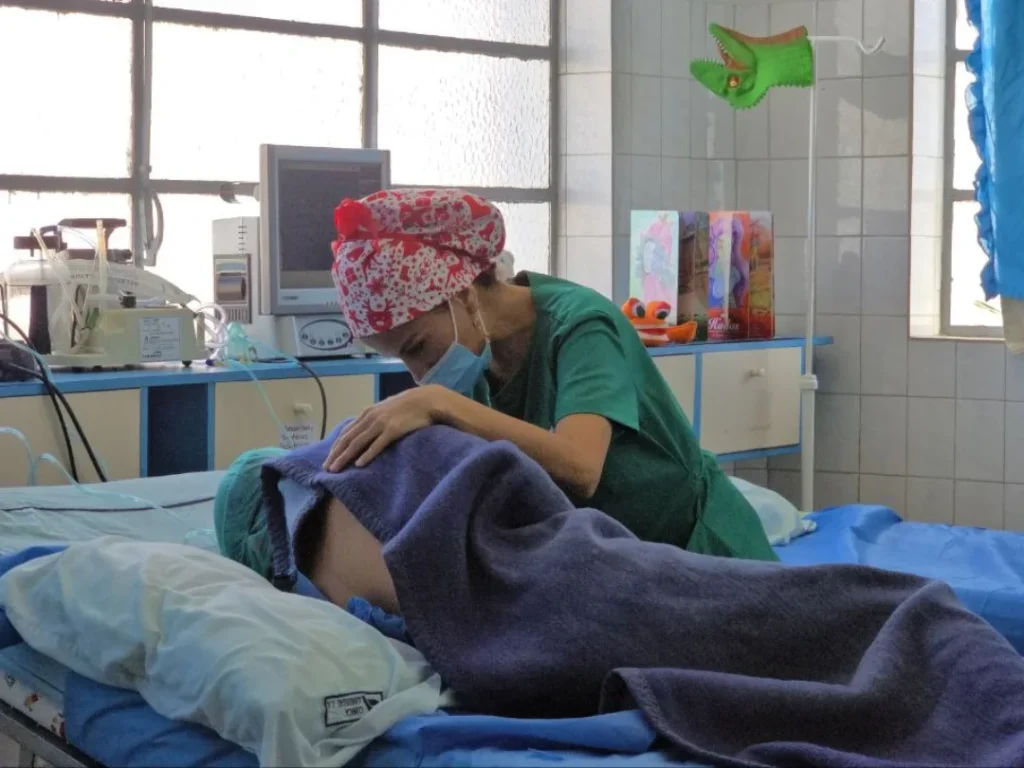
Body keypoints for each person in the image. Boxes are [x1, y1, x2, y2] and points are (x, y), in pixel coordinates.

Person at [324, 187, 775, 561]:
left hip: (701, 550)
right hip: (617, 561)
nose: (419, 376)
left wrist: (440, 404)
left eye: (418, 348)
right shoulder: (477, 358)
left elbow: (580, 467)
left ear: (461, 295)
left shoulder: (581, 325)